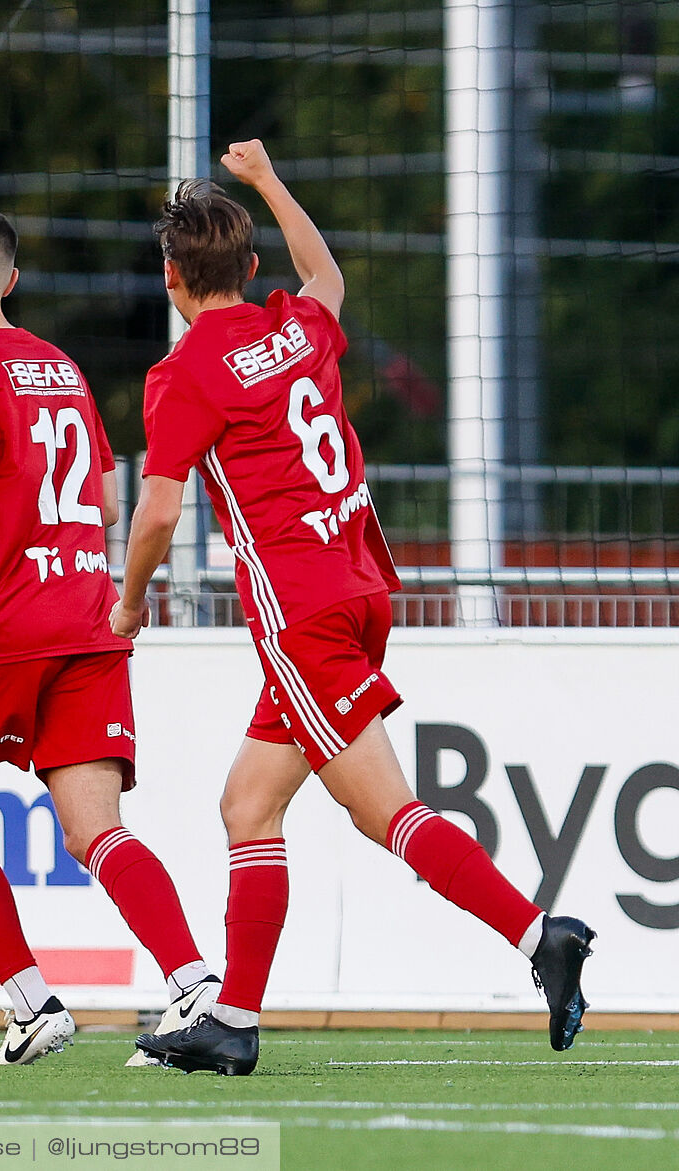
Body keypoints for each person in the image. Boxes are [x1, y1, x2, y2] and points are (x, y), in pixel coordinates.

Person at [110, 141, 594, 1076]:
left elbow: (159, 511)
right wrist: (266, 181)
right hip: (362, 580)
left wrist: (130, 607)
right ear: (252, 269)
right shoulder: (297, 325)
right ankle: (235, 1020)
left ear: (171, 277)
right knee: (248, 805)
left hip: (300, 611)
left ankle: (541, 935)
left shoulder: (184, 377)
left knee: (390, 815)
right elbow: (325, 271)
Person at [0, 210, 219, 1068]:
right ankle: (193, 983)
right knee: (96, 830)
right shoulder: (61, 367)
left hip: (5, 628)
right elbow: (110, 505)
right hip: (86, 618)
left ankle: (31, 1000)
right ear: (10, 280)